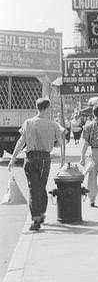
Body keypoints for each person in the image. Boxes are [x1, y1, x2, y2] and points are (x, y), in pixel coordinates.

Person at [8, 98, 65, 231]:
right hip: (45, 158)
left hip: (30, 158)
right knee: (41, 187)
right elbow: (60, 143)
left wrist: (13, 158)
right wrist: (54, 145)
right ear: (48, 108)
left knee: (33, 188)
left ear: (37, 107)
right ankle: (41, 215)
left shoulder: (28, 123)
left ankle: (36, 218)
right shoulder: (53, 124)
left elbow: (21, 141)